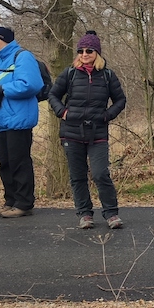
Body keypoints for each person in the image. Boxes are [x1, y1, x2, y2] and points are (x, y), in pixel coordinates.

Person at [48, 32, 127, 229]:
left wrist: (107, 115)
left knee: (100, 174)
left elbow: (120, 100)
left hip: (97, 133)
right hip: (71, 132)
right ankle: (85, 214)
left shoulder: (108, 76)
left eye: (89, 50)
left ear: (97, 53)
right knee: (78, 176)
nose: (84, 54)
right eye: (81, 51)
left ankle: (111, 214)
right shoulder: (70, 73)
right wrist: (62, 112)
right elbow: (53, 95)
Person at [0, 26, 43, 218]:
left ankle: (24, 203)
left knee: (19, 162)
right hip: (2, 121)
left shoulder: (23, 57)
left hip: (19, 120)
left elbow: (31, 84)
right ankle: (10, 201)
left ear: (5, 40)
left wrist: (2, 89)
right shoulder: (0, 61)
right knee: (5, 163)